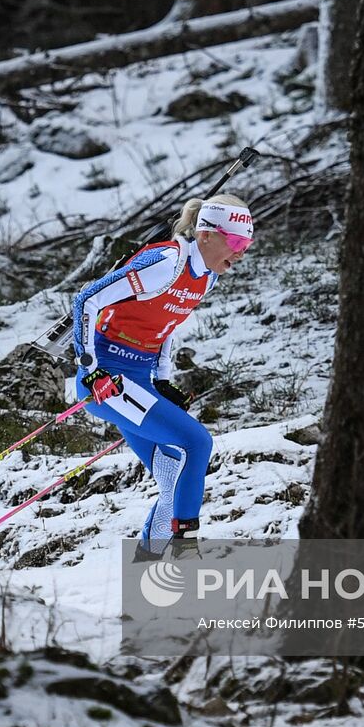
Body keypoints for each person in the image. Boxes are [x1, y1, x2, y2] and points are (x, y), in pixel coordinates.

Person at [71, 194, 254, 559]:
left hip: (139, 378)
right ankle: (185, 549)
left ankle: (149, 564)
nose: (241, 253)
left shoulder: (206, 277)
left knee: (173, 470)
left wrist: (164, 378)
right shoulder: (167, 262)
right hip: (110, 379)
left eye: (247, 245)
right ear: (206, 235)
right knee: (197, 444)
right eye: (235, 243)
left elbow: (170, 320)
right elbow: (87, 299)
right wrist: (91, 371)